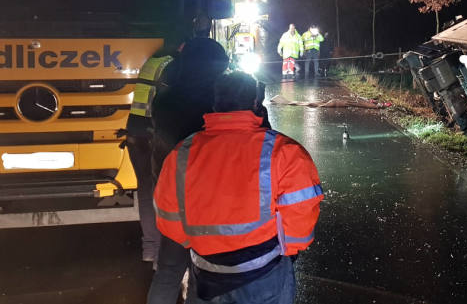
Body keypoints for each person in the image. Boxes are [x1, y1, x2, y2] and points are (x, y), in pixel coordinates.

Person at [153, 71, 323, 303]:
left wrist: (200, 244)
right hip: (264, 272)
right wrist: (289, 250)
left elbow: (168, 215)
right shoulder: (284, 151)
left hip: (206, 272)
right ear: (255, 102)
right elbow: (301, 214)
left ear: (215, 104)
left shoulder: (182, 153)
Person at [147, 37, 229, 304]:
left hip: (171, 193)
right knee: (201, 270)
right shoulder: (217, 101)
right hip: (207, 198)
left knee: (169, 269)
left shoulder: (165, 98)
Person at [125, 48, 176, 263]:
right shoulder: (173, 64)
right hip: (153, 133)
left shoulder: (154, 61)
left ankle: (150, 249)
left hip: (136, 130)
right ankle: (166, 251)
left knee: (146, 191)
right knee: (167, 191)